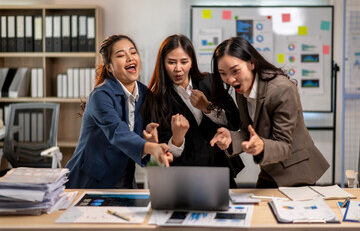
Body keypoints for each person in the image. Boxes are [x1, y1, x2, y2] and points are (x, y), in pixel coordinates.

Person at [210, 36, 329, 188]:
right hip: (271, 169)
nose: (230, 79)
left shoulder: (281, 90)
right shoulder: (243, 89)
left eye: (235, 71)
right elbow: (249, 132)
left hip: (297, 172)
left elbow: (284, 145)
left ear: (251, 63)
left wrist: (262, 146)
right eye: (223, 73)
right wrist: (230, 139)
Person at [65, 35, 173, 189]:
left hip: (125, 180)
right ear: (109, 67)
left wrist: (151, 142)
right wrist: (151, 147)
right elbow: (117, 132)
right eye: (121, 55)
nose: (130, 58)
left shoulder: (145, 94)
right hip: (90, 181)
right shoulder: (100, 95)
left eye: (133, 52)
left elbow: (141, 144)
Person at [142, 34, 244, 188]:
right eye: (171, 62)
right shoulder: (155, 99)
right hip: (184, 179)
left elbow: (235, 121)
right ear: (162, 63)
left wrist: (207, 108)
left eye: (184, 62)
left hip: (220, 172)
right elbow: (163, 154)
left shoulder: (210, 81)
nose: (178, 68)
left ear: (192, 62)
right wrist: (177, 138)